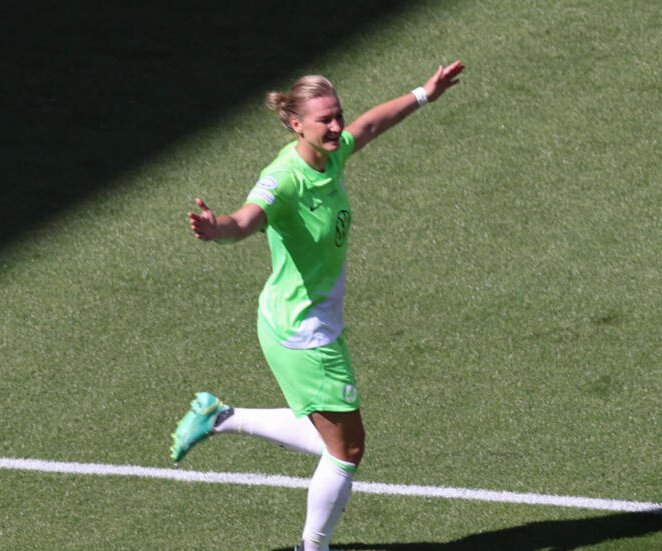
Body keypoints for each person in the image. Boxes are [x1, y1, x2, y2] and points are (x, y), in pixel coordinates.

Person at [170, 61, 465, 551]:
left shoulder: (331, 155)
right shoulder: (284, 178)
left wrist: (424, 93)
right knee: (347, 450)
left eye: (336, 116)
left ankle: (220, 417)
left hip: (310, 321)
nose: (336, 126)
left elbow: (369, 125)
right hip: (300, 331)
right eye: (324, 119)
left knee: (337, 439)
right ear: (295, 124)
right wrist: (216, 227)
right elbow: (246, 220)